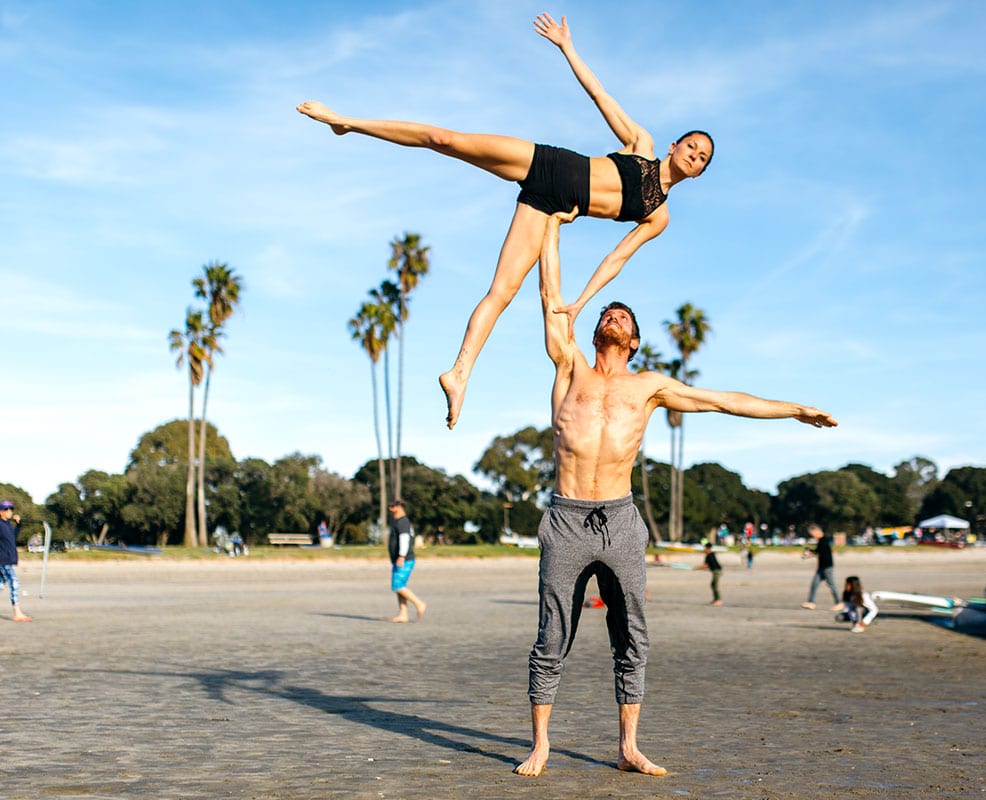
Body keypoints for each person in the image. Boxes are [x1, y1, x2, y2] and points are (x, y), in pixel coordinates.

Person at [515, 210, 836, 778]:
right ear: (595, 331)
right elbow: (549, 293)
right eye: (608, 312)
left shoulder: (650, 387)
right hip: (565, 517)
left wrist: (794, 410)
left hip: (619, 518)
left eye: (623, 317)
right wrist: (549, 221)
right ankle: (540, 743)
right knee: (550, 634)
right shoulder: (569, 369)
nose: (613, 316)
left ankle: (628, 746)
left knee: (631, 632)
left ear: (633, 340)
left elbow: (723, 400)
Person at [296, 13, 714, 430]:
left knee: (503, 291)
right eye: (691, 146)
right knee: (446, 140)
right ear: (676, 145)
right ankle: (347, 122)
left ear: (697, 173)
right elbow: (600, 96)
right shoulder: (642, 144)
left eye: (701, 159)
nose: (693, 155)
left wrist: (582, 300)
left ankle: (459, 373)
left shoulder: (658, 216)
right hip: (546, 163)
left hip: (549, 208)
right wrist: (567, 47)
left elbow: (616, 258)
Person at [387, 499, 427, 623]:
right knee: (400, 587)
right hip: (399, 559)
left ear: (400, 507)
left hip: (404, 559)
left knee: (398, 586)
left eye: (392, 506)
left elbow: (404, 539)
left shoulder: (403, 522)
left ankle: (419, 604)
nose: (390, 508)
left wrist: (401, 556)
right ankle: (403, 614)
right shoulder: (399, 521)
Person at [0, 500, 32, 622]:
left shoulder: (7, 524)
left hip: (8, 559)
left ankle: (17, 612)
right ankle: (17, 612)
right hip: (3, 560)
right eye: (6, 509)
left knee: (1, 585)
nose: (9, 512)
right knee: (14, 582)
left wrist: (18, 525)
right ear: (1, 512)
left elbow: (12, 538)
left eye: (11, 509)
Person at [800, 525, 838, 610]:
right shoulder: (821, 541)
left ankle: (838, 602)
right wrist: (811, 552)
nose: (812, 536)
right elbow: (818, 552)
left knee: (832, 585)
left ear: (817, 532)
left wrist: (810, 553)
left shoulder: (823, 541)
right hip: (821, 567)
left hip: (827, 567)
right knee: (814, 584)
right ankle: (811, 602)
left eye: (812, 534)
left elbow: (820, 552)